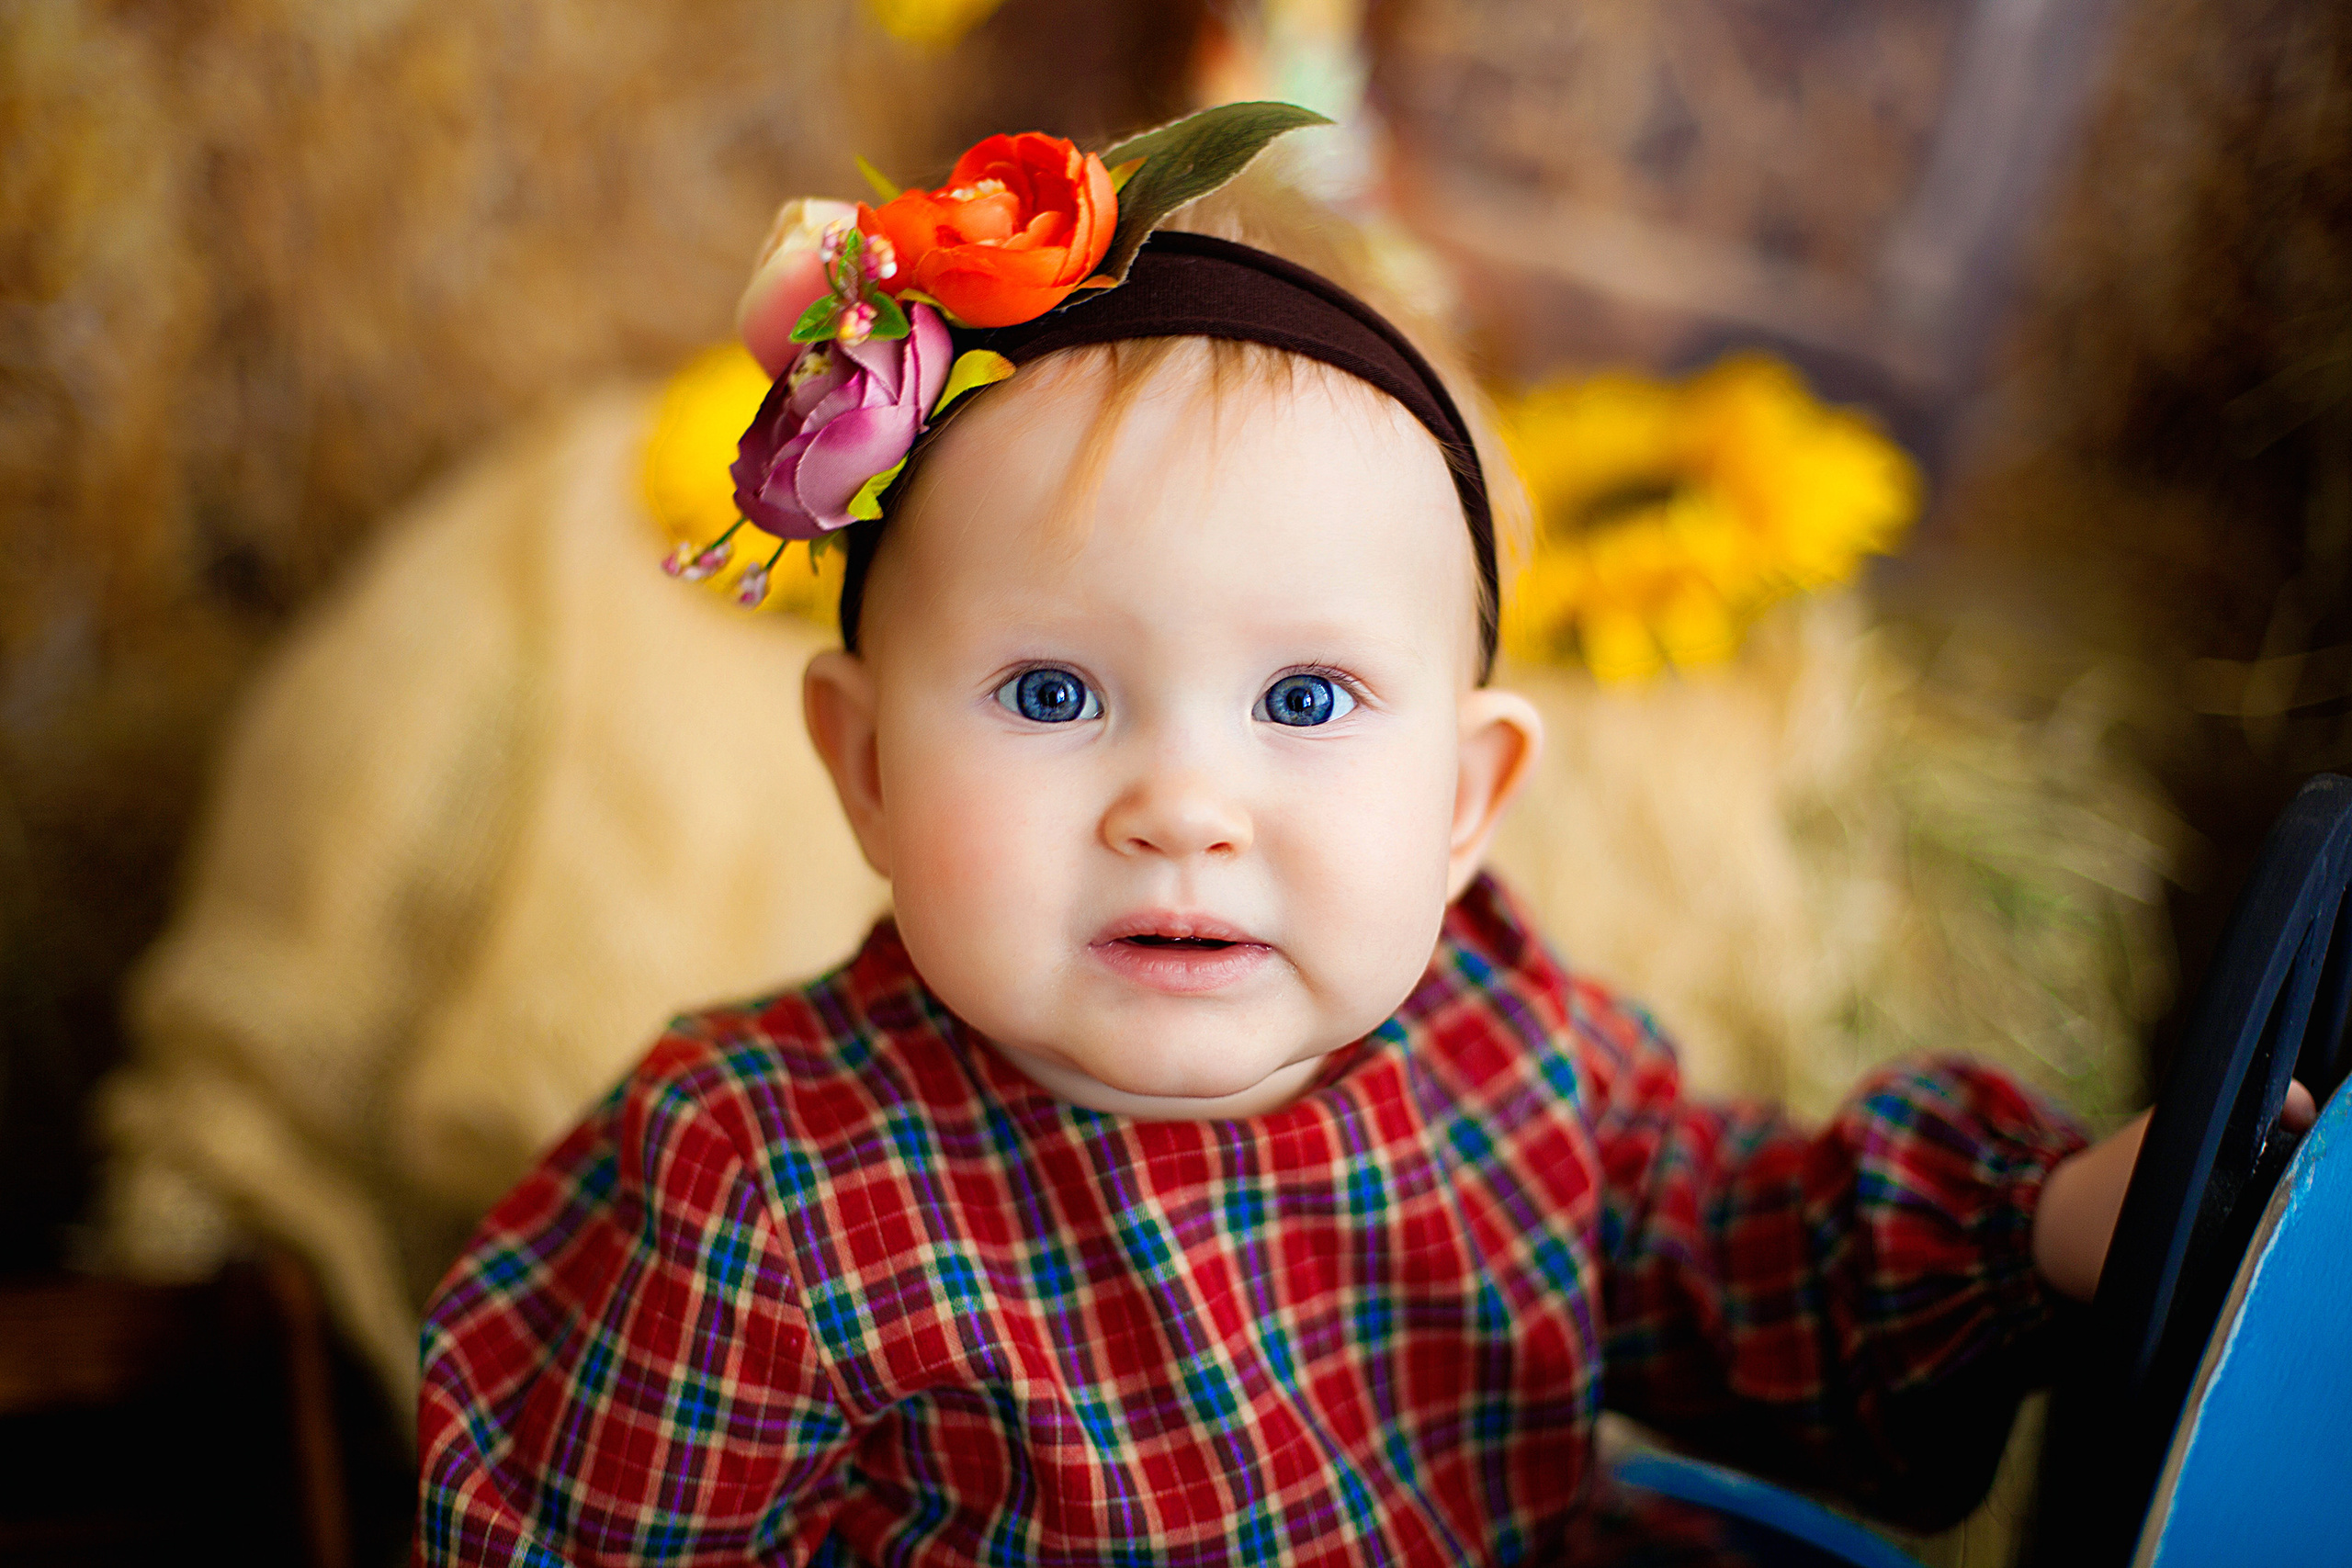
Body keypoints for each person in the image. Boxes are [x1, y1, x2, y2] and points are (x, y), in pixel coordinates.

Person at [412, 117, 2311, 1564]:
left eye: (1305, 703)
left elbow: (1728, 1249)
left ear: (1464, 800)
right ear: (866, 767)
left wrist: (2060, 1215)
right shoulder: (750, 1178)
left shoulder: (1492, 1027)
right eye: (1053, 695)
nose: (1182, 804)